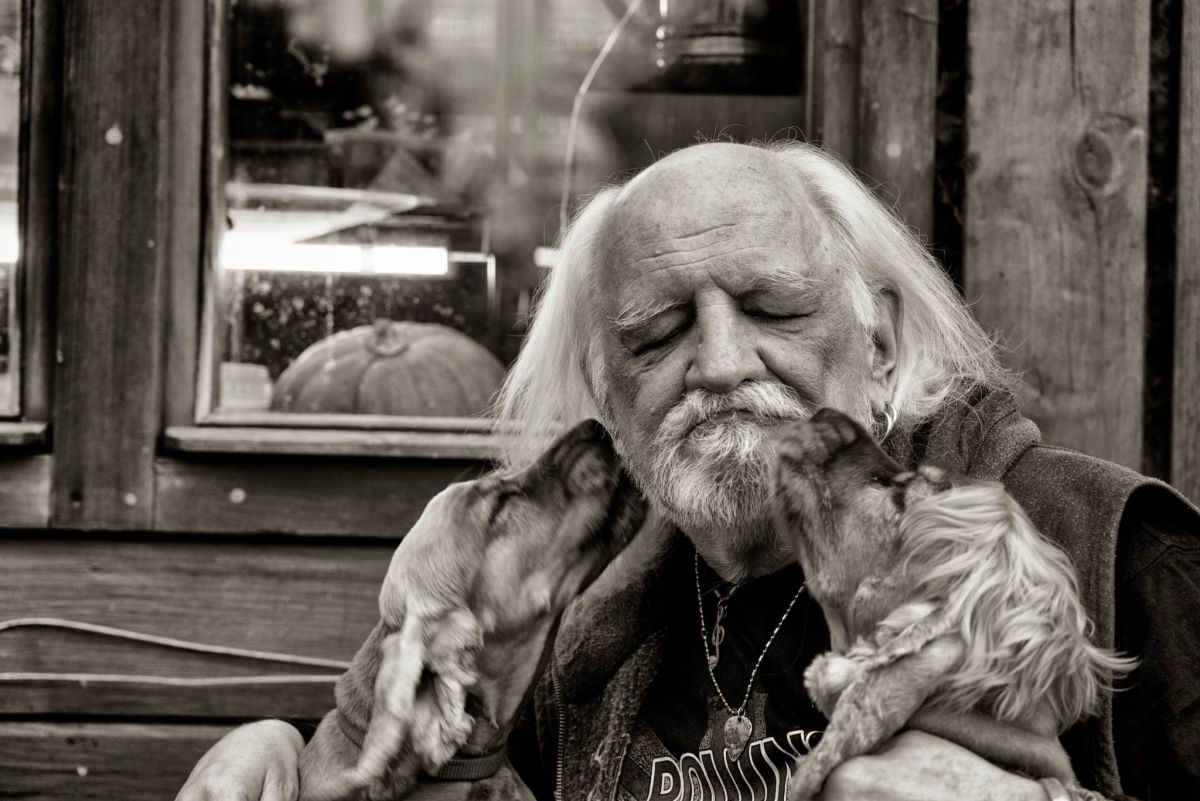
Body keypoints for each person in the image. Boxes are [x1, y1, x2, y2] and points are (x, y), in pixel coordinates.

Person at [177, 141, 1200, 801]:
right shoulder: (566, 595)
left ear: (881, 345)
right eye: (658, 334)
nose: (718, 364)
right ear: (607, 395)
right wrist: (274, 754)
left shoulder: (1111, 550)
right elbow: (386, 746)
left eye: (773, 309)